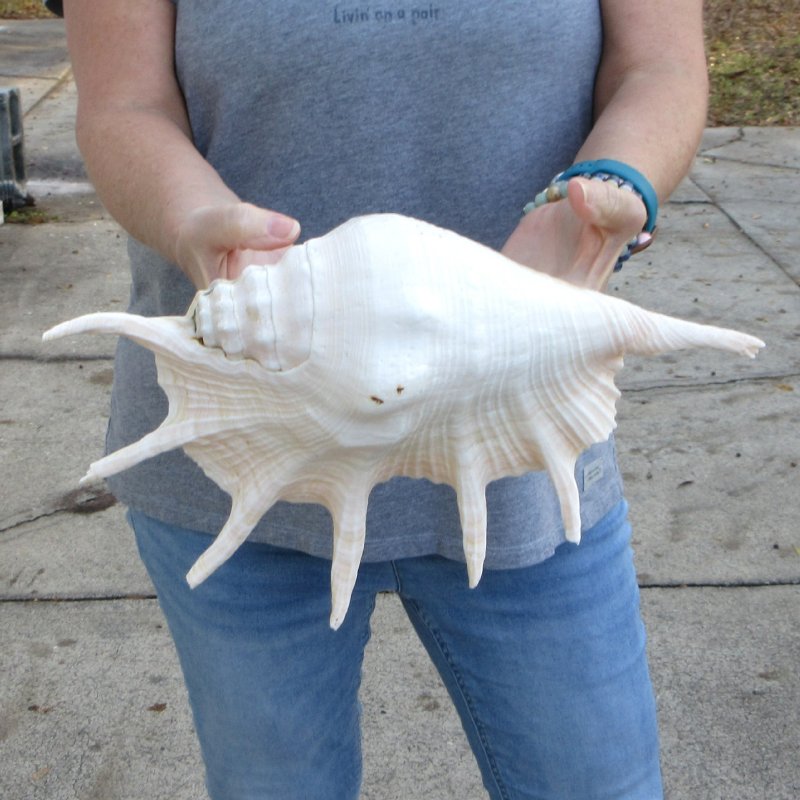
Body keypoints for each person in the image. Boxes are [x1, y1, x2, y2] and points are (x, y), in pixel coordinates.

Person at [50, 1, 708, 797]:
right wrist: (190, 219)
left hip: (525, 454)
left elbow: (660, 66)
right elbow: (125, 103)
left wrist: (614, 183)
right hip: (243, 460)